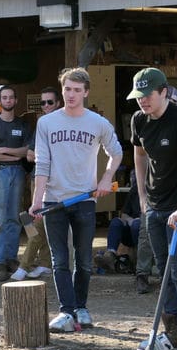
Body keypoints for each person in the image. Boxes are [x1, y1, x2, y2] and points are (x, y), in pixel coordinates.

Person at [29, 67, 122, 333]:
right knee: (60, 260)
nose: (71, 95)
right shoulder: (46, 123)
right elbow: (42, 163)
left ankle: (81, 307)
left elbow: (116, 153)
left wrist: (106, 179)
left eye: (77, 90)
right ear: (62, 90)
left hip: (84, 199)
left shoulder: (98, 123)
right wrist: (37, 200)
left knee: (83, 259)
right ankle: (66, 312)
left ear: (86, 92)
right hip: (54, 200)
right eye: (67, 89)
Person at [128, 67, 177, 350]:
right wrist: (143, 198)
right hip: (156, 208)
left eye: (147, 96)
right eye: (138, 97)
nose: (142, 102)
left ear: (163, 92)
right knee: (164, 272)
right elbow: (138, 155)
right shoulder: (139, 120)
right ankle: (171, 332)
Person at [0, 85, 31, 281]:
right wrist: (13, 156)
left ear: (16, 100)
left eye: (11, 97)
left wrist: (4, 151)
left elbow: (27, 150)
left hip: (18, 173)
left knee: (13, 217)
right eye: (4, 97)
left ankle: (11, 258)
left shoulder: (23, 125)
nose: (8, 100)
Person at [19, 87, 61, 280]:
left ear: (58, 103)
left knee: (38, 224)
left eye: (49, 102)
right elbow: (29, 155)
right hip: (37, 179)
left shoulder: (62, 123)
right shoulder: (41, 124)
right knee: (34, 222)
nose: (45, 106)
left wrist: (43, 156)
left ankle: (25, 265)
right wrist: (46, 156)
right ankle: (45, 263)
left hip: (56, 183)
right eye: (42, 103)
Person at [94, 171, 153, 294]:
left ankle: (139, 260)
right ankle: (110, 255)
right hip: (132, 229)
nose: (134, 179)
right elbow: (124, 214)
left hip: (147, 234)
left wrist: (137, 221)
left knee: (138, 224)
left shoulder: (154, 191)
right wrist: (130, 220)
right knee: (116, 221)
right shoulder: (134, 191)